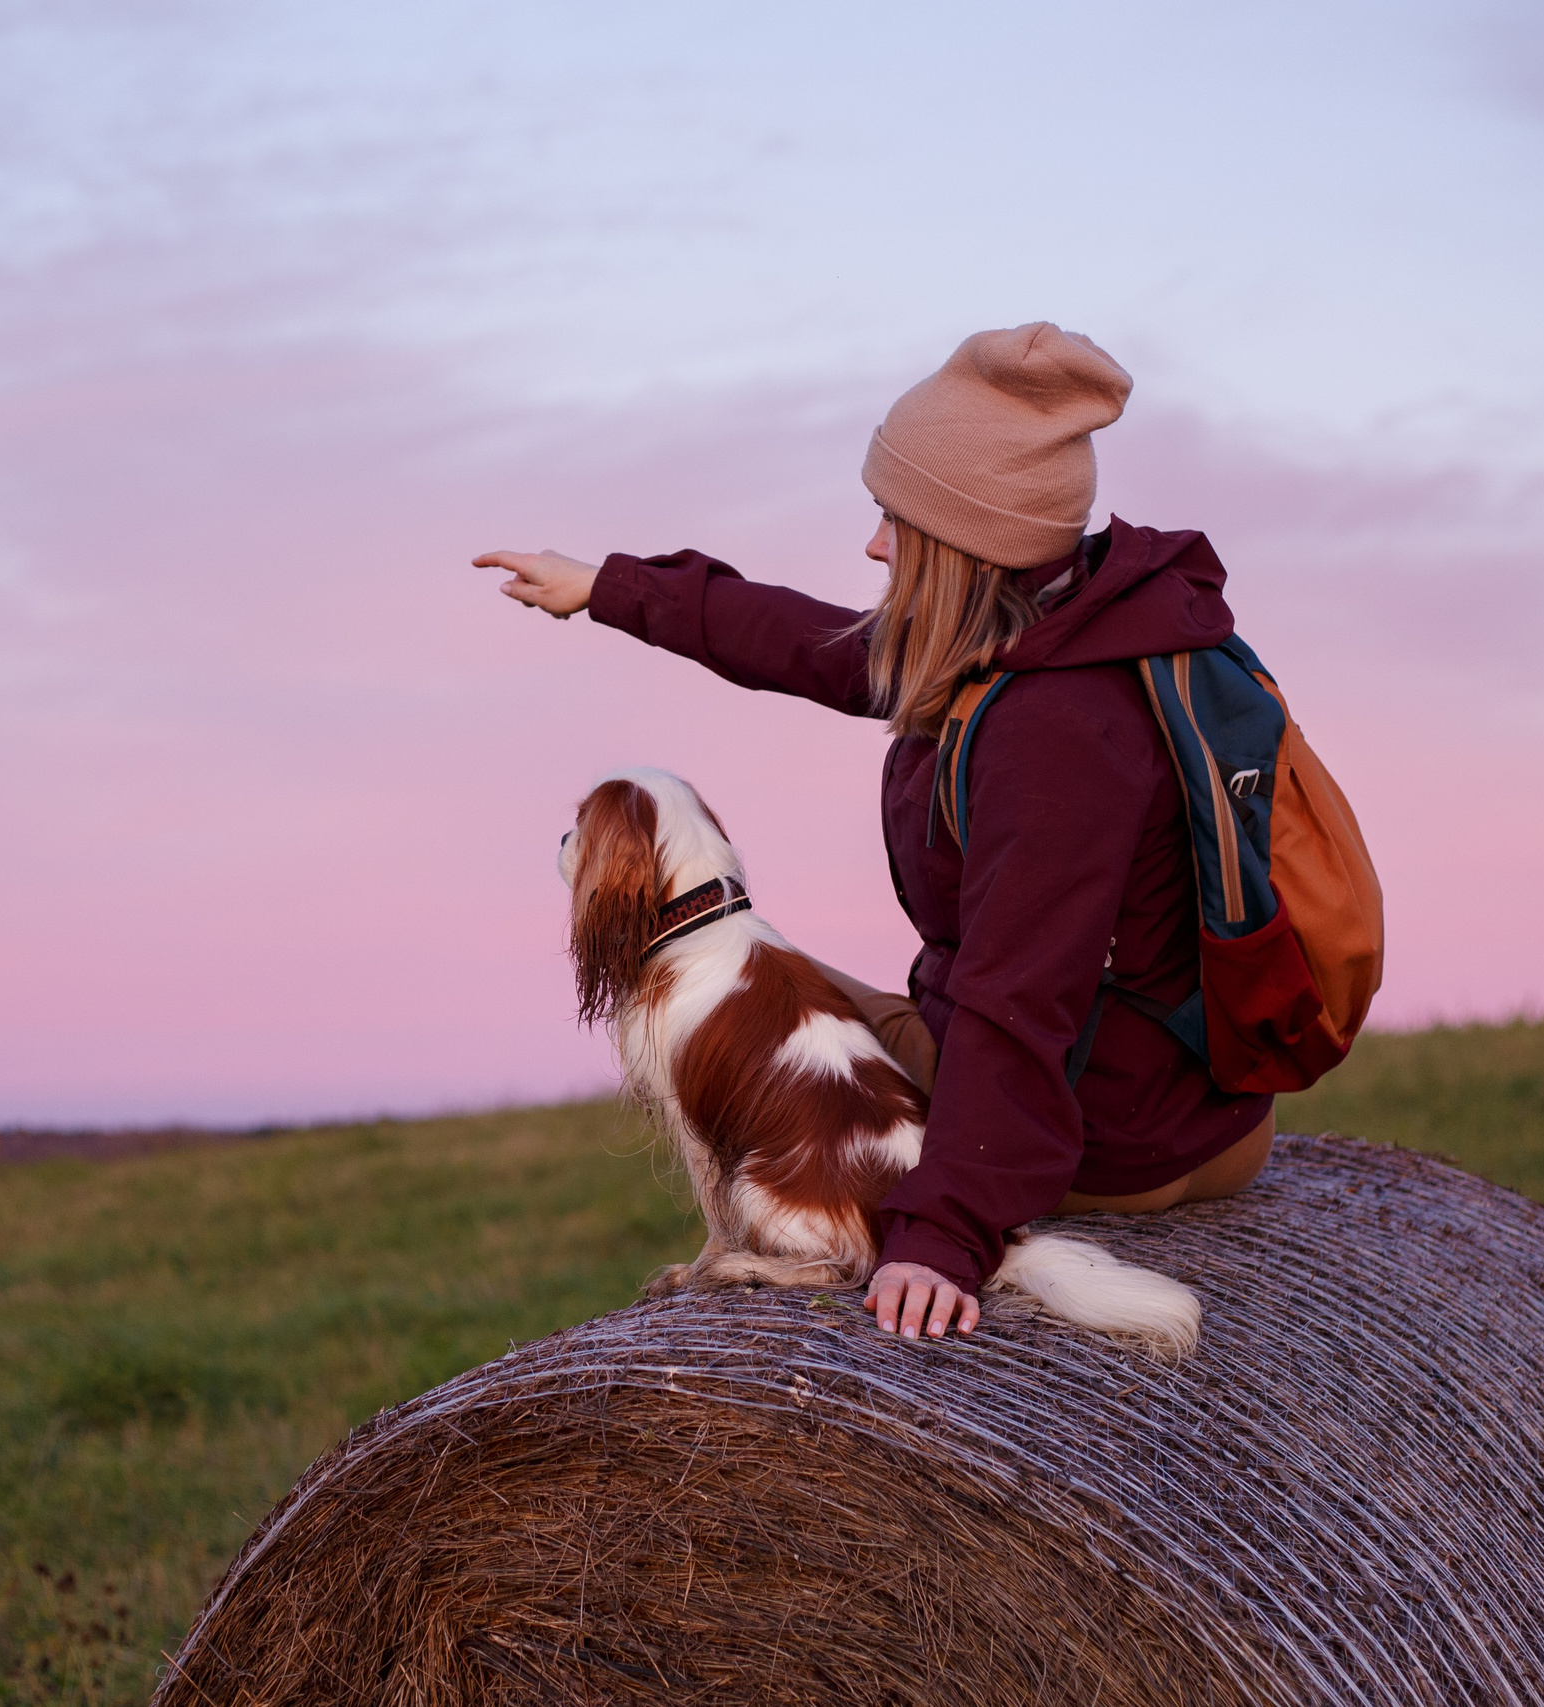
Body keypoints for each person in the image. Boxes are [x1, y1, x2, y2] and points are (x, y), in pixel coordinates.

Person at [475, 323, 1275, 1344]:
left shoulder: (1057, 735)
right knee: (761, 970)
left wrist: (942, 1234)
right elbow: (820, 647)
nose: (872, 545)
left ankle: (798, 1232)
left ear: (965, 540)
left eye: (893, 521)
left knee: (720, 975)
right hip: (1190, 1104)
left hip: (1111, 1135)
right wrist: (609, 589)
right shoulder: (1065, 626)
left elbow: (1015, 999)